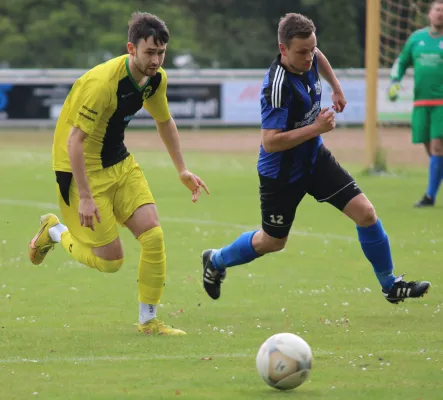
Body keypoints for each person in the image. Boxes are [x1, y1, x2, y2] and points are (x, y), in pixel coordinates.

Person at [202, 12, 430, 305]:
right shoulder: (277, 87)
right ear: (283, 49)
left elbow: (319, 55)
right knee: (273, 241)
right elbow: (270, 143)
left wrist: (336, 87)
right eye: (302, 52)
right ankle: (217, 260)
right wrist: (317, 128)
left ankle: (390, 285)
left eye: (312, 48)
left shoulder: (308, 54)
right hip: (281, 174)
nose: (309, 57)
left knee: (366, 213)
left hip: (314, 159)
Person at [29, 12, 209, 336]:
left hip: (119, 162)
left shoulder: (155, 80)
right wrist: (84, 197)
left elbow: (164, 121)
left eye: (161, 53)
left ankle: (148, 321)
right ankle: (53, 232)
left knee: (153, 235)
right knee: (112, 261)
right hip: (79, 167)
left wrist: (182, 169)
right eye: (149, 52)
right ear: (131, 48)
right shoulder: (102, 84)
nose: (156, 60)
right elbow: (75, 143)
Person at [388, 0, 443, 207]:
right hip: (421, 102)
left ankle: (429, 197)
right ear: (429, 14)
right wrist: (395, 80)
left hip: (441, 103)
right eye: (437, 10)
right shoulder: (416, 39)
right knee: (432, 150)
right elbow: (401, 62)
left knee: (438, 148)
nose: (440, 14)